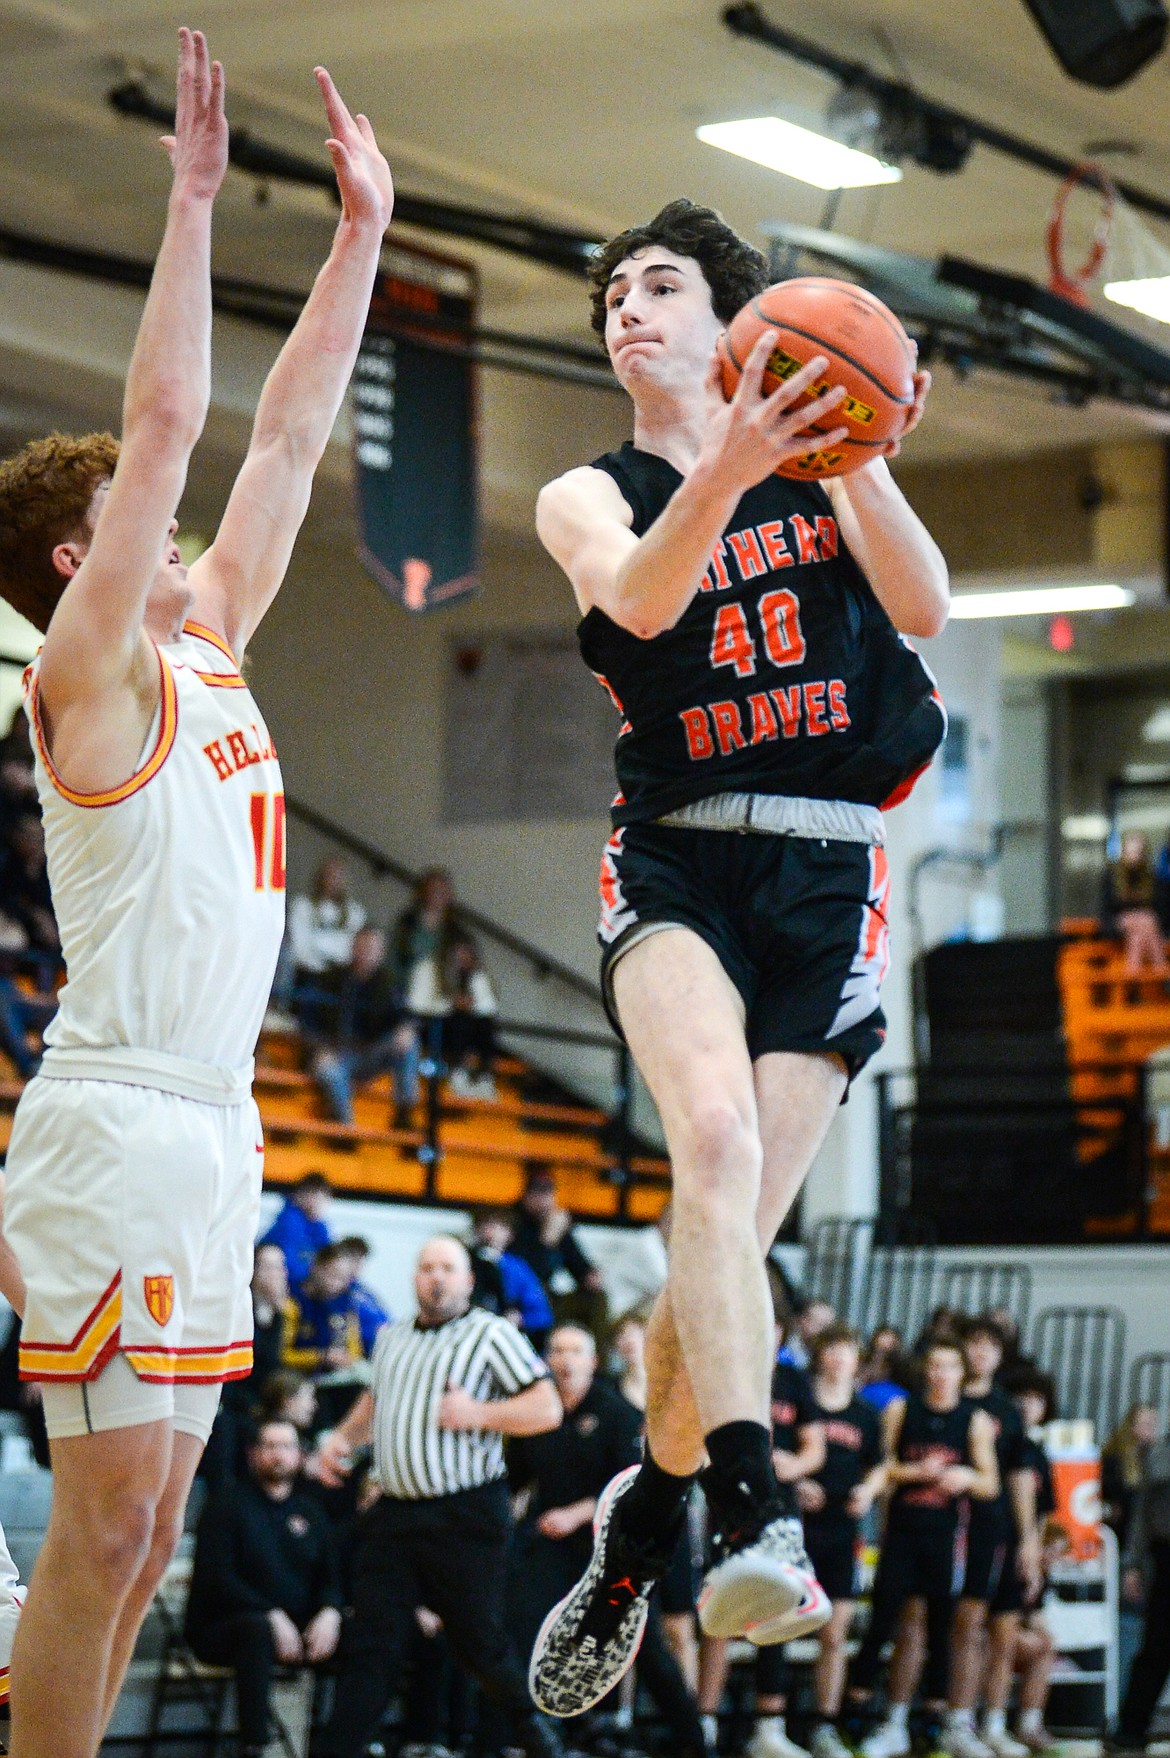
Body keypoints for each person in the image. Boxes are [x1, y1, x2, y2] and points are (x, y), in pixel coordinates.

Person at [0, 37, 396, 1758]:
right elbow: (168, 419)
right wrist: (188, 202)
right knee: (100, 1529)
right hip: (113, 1114)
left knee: (149, 1532)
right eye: (136, 517)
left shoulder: (212, 632)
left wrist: (360, 240)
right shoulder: (92, 672)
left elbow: (289, 434)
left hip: (218, 1125)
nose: (178, 520)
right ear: (78, 563)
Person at [528, 197, 948, 1715]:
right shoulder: (587, 491)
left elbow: (925, 605)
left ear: (736, 320)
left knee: (727, 1245)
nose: (627, 310)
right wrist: (732, 456)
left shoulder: (834, 468)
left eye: (659, 286)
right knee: (702, 1143)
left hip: (826, 867)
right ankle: (756, 1510)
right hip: (677, 848)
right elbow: (641, 596)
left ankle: (641, 1517)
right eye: (611, 298)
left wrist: (862, 451)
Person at [309, 1236, 566, 1758]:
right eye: (428, 1267)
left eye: (449, 1268)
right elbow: (375, 1400)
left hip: (465, 1514)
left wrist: (479, 1414)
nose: (437, 1277)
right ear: (414, 1277)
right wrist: (341, 1438)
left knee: (480, 1644)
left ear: (468, 1280)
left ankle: (541, 1744)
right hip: (396, 1514)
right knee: (371, 1648)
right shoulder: (392, 1336)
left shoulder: (492, 1335)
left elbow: (547, 1408)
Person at [508, 1325, 707, 1758]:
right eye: (556, 1350)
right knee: (520, 1629)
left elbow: (631, 1483)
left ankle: (694, 1743)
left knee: (646, 1648)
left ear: (592, 1361)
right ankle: (520, 1741)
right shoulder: (537, 1411)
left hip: (612, 1547)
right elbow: (515, 1480)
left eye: (575, 1351)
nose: (565, 1360)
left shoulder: (614, 1412)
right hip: (552, 1544)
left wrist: (577, 1512)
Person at [853, 1336, 998, 1758]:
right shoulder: (902, 1409)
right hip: (900, 1533)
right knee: (883, 1623)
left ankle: (931, 1724)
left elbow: (991, 1483)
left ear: (960, 1374)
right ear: (925, 1371)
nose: (940, 1374)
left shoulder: (974, 1420)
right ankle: (861, 1716)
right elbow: (883, 1466)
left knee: (940, 1629)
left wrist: (965, 1477)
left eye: (949, 1367)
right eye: (934, 1366)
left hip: (945, 1536)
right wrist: (916, 1471)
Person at [700, 1312, 827, 1758]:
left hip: (780, 1507)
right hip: (731, 1503)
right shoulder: (724, 1370)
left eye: (772, 1328)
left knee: (779, 1613)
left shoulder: (793, 1381)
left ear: (780, 1334)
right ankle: (705, 1721)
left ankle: (769, 1729)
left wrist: (798, 1464)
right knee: (721, 1613)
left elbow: (815, 1447)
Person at [185, 1418, 343, 1758]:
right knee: (256, 1631)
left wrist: (331, 1610)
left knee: (367, 1631)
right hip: (224, 1627)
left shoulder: (311, 1511)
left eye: (286, 1447)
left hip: (297, 1627)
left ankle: (346, 1744)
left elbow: (333, 1577)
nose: (278, 1455)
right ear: (253, 1454)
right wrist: (269, 1614)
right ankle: (254, 1745)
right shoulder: (225, 1506)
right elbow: (218, 1580)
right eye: (269, 1446)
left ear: (300, 1456)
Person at [953, 1320, 1042, 1758]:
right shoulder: (943, 1400)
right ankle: (956, 1719)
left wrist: (1027, 1539)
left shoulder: (1006, 1410)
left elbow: (1021, 1477)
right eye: (975, 1344)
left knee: (1003, 1630)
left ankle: (992, 1721)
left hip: (997, 1527)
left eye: (991, 1347)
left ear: (1000, 1356)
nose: (981, 1354)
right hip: (949, 1527)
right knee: (963, 1627)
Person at [801, 1325, 886, 1758]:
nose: (837, 1359)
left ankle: (824, 1725)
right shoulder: (802, 1402)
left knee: (834, 1634)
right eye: (831, 1350)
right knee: (780, 1624)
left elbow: (879, 1466)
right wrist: (798, 1481)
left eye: (846, 1352)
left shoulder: (865, 1414)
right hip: (798, 1528)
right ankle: (772, 1725)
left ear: (858, 1361)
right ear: (819, 1356)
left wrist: (868, 1492)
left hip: (842, 1530)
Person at [307, 925, 420, 1128]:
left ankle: (404, 1113)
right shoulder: (331, 980)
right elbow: (309, 1021)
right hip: (336, 1052)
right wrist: (320, 1048)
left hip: (370, 1053)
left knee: (409, 1041)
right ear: (354, 948)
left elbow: (405, 1017)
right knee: (327, 1069)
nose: (366, 953)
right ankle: (345, 1128)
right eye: (363, 946)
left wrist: (406, 1029)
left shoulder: (389, 985)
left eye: (373, 948)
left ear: (381, 953)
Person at [1108, 1417, 1170, 1756]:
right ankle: (1132, 1728)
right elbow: (1141, 1514)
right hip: (1165, 1556)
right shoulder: (1159, 1453)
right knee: (1156, 1647)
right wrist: (1132, 1564)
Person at [406, 930, 498, 1098]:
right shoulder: (428, 968)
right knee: (459, 1020)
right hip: (429, 1024)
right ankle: (458, 1073)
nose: (462, 957)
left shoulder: (475, 976)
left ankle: (484, 1076)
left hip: (460, 1028)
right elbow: (416, 1004)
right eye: (459, 952)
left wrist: (468, 1004)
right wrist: (451, 1003)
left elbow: (488, 1007)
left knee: (484, 1023)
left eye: (467, 952)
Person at [468, 1209, 555, 1344]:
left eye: (499, 1226)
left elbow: (543, 1315)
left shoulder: (517, 1268)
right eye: (486, 1224)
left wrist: (520, 1318)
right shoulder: (464, 1260)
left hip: (503, 1334)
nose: (491, 1231)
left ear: (510, 1235)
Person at [281, 1243, 368, 1377]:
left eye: (344, 1279)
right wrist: (321, 1356)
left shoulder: (346, 1303)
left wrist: (346, 1358)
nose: (336, 1284)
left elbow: (354, 1349)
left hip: (334, 1377)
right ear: (316, 1266)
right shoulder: (292, 1302)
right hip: (296, 1376)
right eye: (333, 1274)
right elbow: (281, 1355)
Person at [287, 857, 367, 990]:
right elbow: (299, 945)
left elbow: (353, 950)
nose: (333, 881)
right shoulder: (302, 905)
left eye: (338, 877)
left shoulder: (355, 913)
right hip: (306, 972)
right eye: (329, 875)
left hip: (340, 977)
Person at [1103, 832, 1168, 975]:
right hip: (1118, 923)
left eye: (1138, 851)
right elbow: (1107, 910)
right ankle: (1161, 971)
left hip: (1144, 928)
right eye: (1131, 851)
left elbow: (1159, 909)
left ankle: (1132, 978)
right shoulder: (1112, 876)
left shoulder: (1151, 877)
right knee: (1145, 920)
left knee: (1138, 935)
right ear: (1123, 851)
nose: (1134, 856)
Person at [261, 1172, 335, 1291]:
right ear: (300, 1195)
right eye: (314, 1195)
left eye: (323, 1197)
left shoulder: (319, 1226)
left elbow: (329, 1259)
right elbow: (289, 1267)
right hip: (288, 1288)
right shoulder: (289, 1221)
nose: (318, 1202)